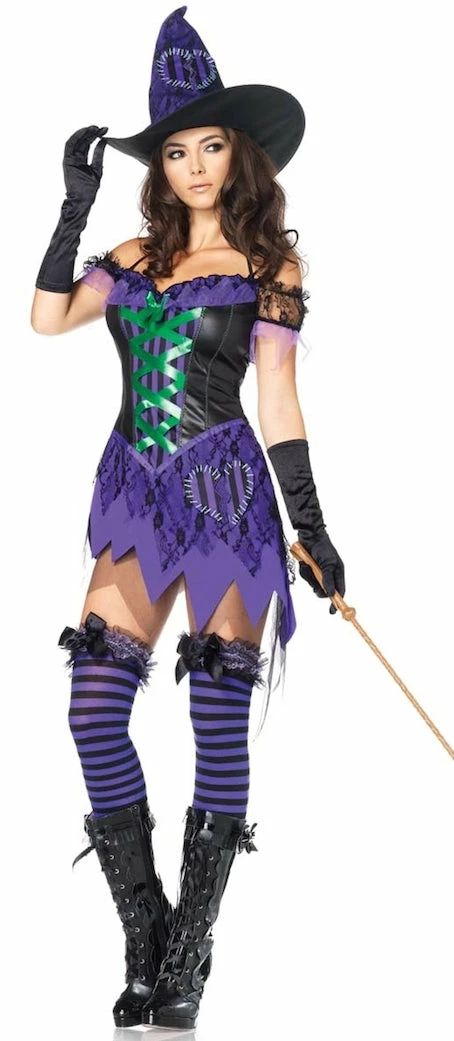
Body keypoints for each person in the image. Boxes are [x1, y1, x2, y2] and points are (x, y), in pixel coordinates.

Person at [31, 5, 346, 1032]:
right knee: (93, 708)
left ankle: (190, 956)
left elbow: (278, 400)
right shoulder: (132, 253)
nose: (195, 166)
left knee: (215, 715)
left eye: (211, 146)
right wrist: (72, 209)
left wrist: (312, 527)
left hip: (225, 497)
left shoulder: (269, 268)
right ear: (159, 167)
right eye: (176, 151)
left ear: (239, 153)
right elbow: (46, 317)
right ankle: (147, 935)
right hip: (133, 490)